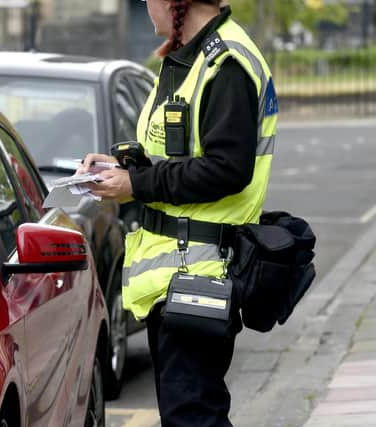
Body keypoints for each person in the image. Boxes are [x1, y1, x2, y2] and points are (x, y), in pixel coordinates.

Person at [79, 0, 278, 426]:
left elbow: (228, 168)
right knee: (187, 412)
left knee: (192, 415)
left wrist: (136, 185)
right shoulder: (185, 59)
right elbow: (178, 156)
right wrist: (124, 170)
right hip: (177, 273)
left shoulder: (226, 62)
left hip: (200, 273)